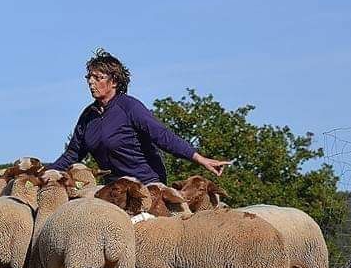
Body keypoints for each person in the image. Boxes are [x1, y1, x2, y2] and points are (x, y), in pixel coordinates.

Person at [48, 49, 230, 183]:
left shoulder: (130, 107)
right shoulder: (88, 116)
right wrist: (43, 172)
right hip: (114, 189)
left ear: (114, 82)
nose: (91, 82)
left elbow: (163, 136)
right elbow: (72, 155)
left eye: (98, 77)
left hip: (147, 185)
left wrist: (199, 158)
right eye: (89, 77)